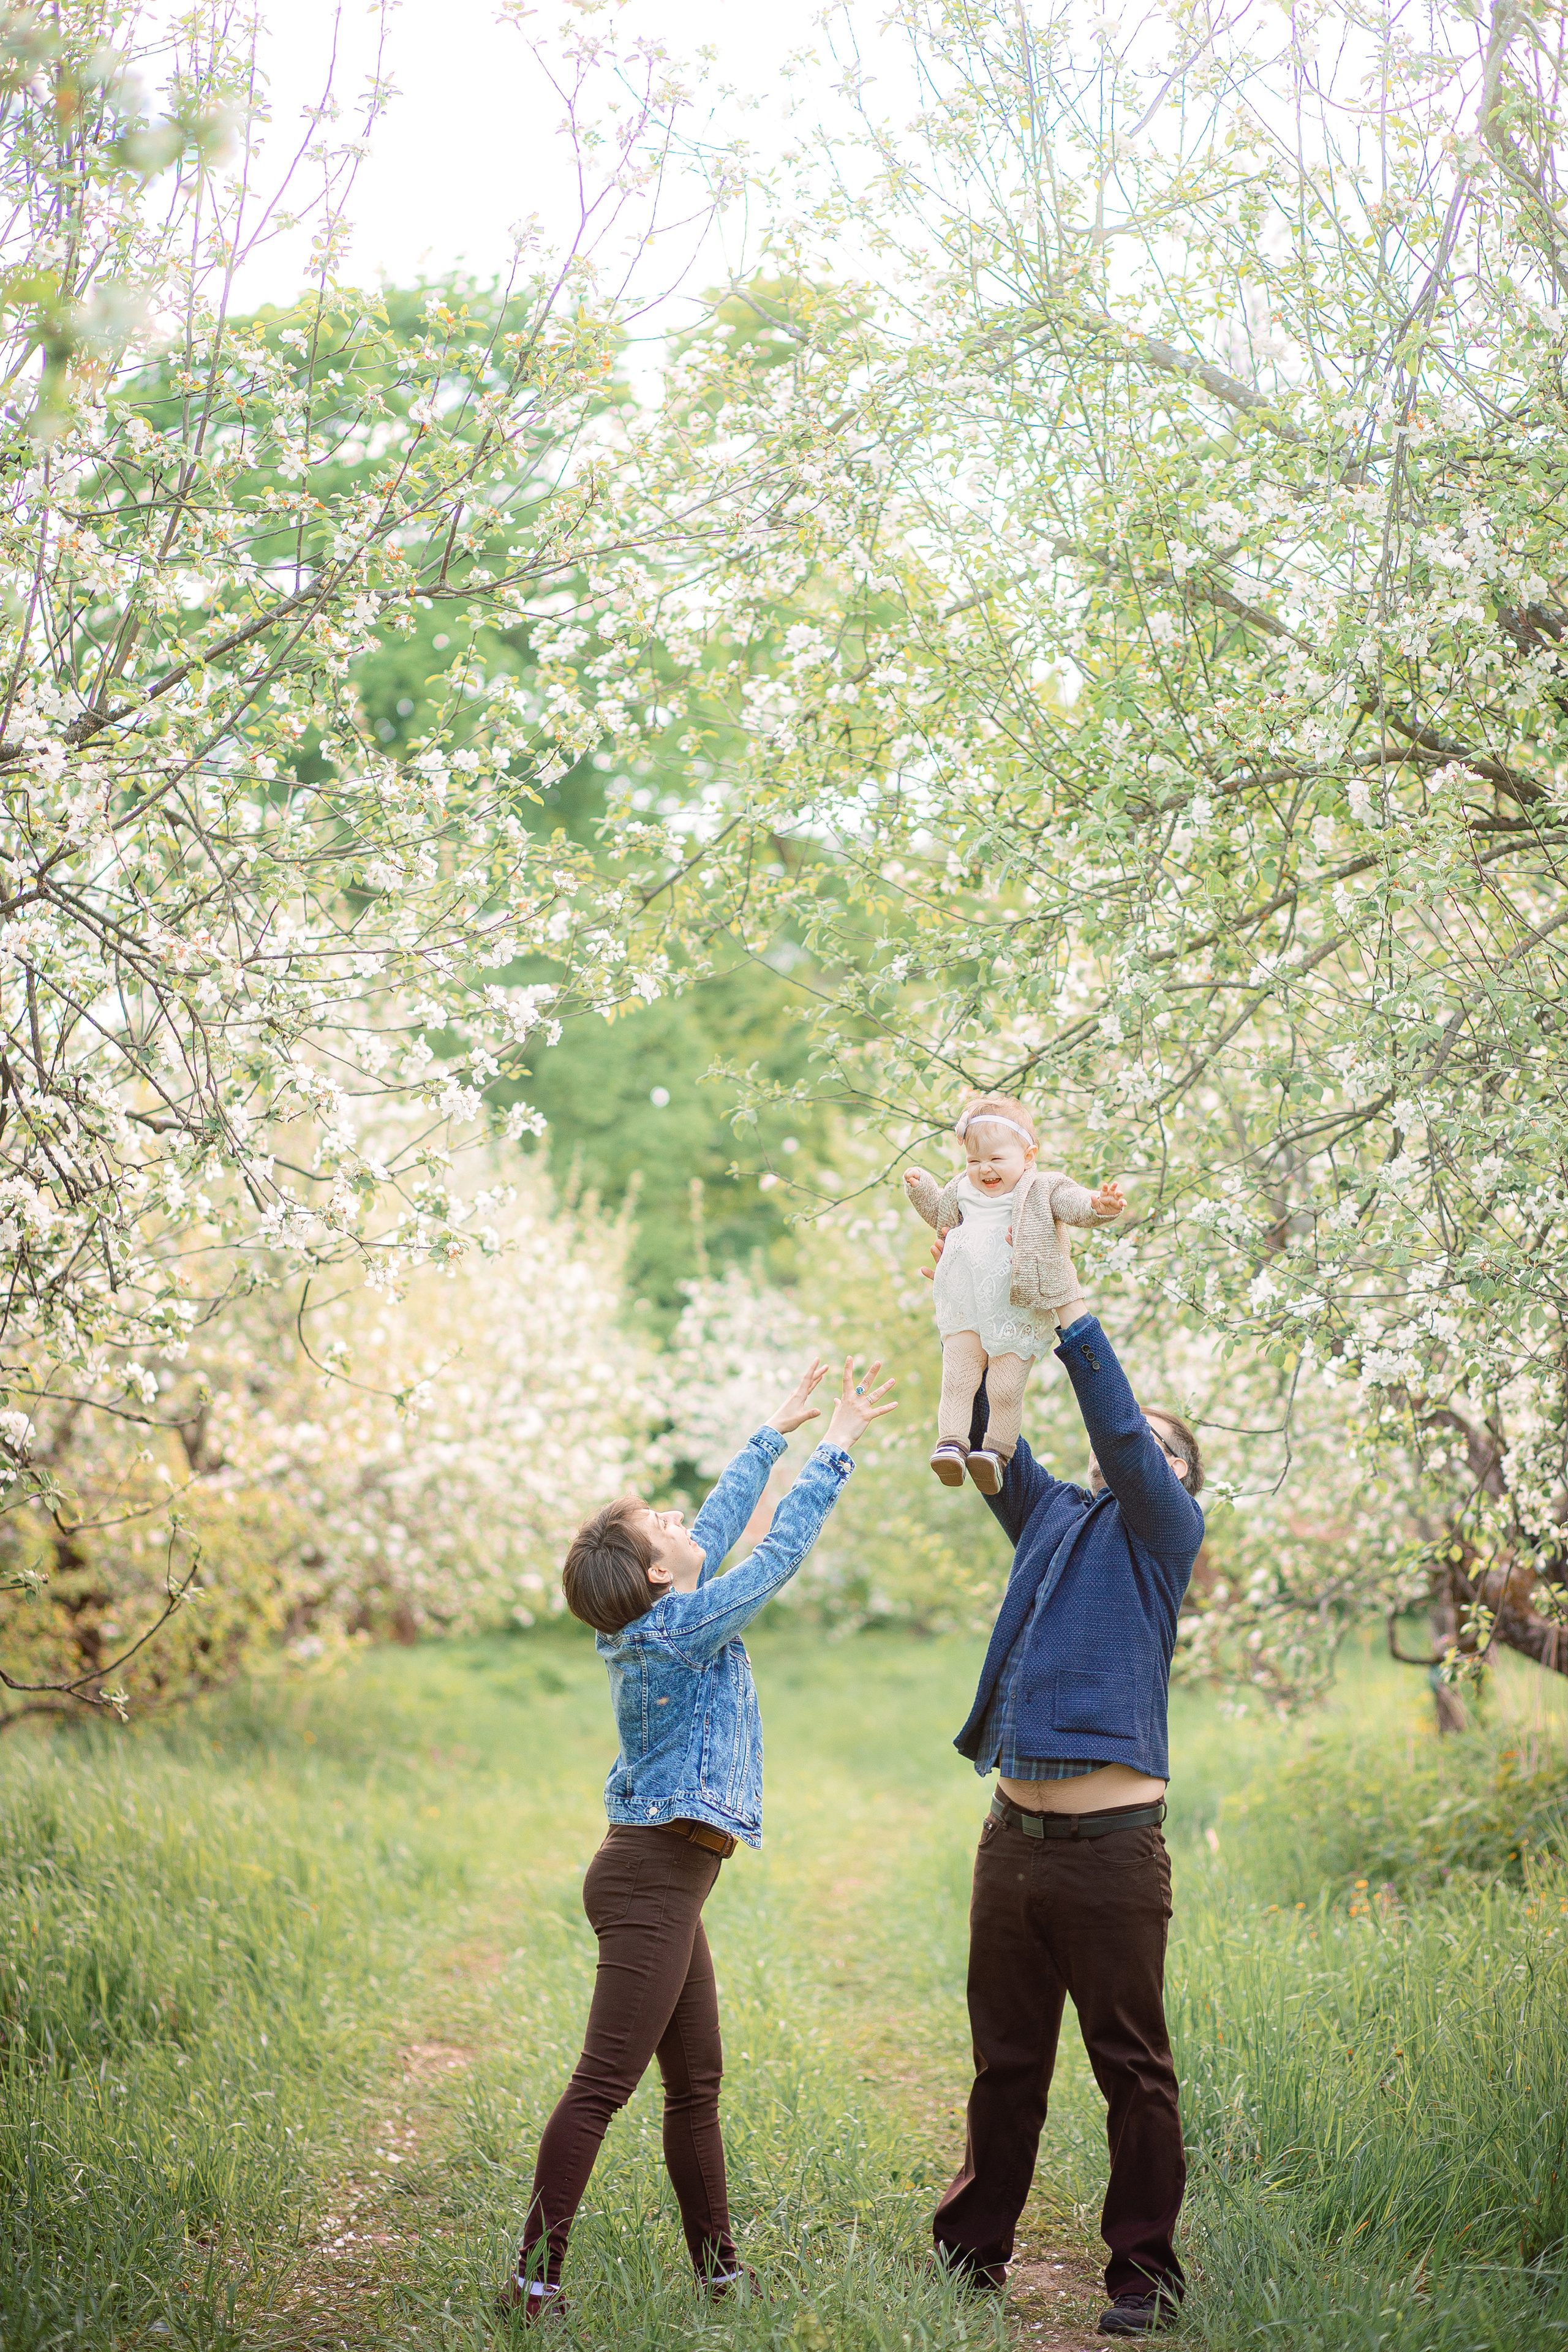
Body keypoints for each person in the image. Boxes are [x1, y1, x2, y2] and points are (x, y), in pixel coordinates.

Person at [499, 1354, 896, 2326]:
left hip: (664, 1875)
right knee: (604, 2085)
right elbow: (769, 1558)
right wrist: (835, 1449)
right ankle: (532, 2281)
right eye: (664, 1529)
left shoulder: (661, 1612)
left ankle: (721, 2275)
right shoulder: (681, 1630)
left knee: (697, 2085)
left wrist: (773, 1431)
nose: (683, 1522)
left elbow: (714, 1533)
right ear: (655, 1574)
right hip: (651, 1880)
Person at [925, 1236, 1205, 2340]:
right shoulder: (1049, 1518)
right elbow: (1000, 1438)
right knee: (1005, 2064)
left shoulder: (1162, 1535)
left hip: (1112, 1856)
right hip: (1013, 1845)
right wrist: (980, 1279)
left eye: (1157, 1450)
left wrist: (1079, 1322)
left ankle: (1142, 2278)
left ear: (1174, 1477)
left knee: (1132, 2071)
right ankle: (971, 2256)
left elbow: (1122, 1435)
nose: (1134, 1456)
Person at [902, 1093, 1123, 1492]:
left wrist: (1100, 1205)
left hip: (1016, 1308)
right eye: (973, 1161)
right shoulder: (962, 1190)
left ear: (1029, 1155)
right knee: (957, 1377)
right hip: (965, 1300)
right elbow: (940, 1216)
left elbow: (1074, 1204)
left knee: (1003, 1387)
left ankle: (995, 1453)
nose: (984, 1169)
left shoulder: (1041, 1188)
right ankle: (951, 1444)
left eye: (996, 1159)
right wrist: (923, 1190)